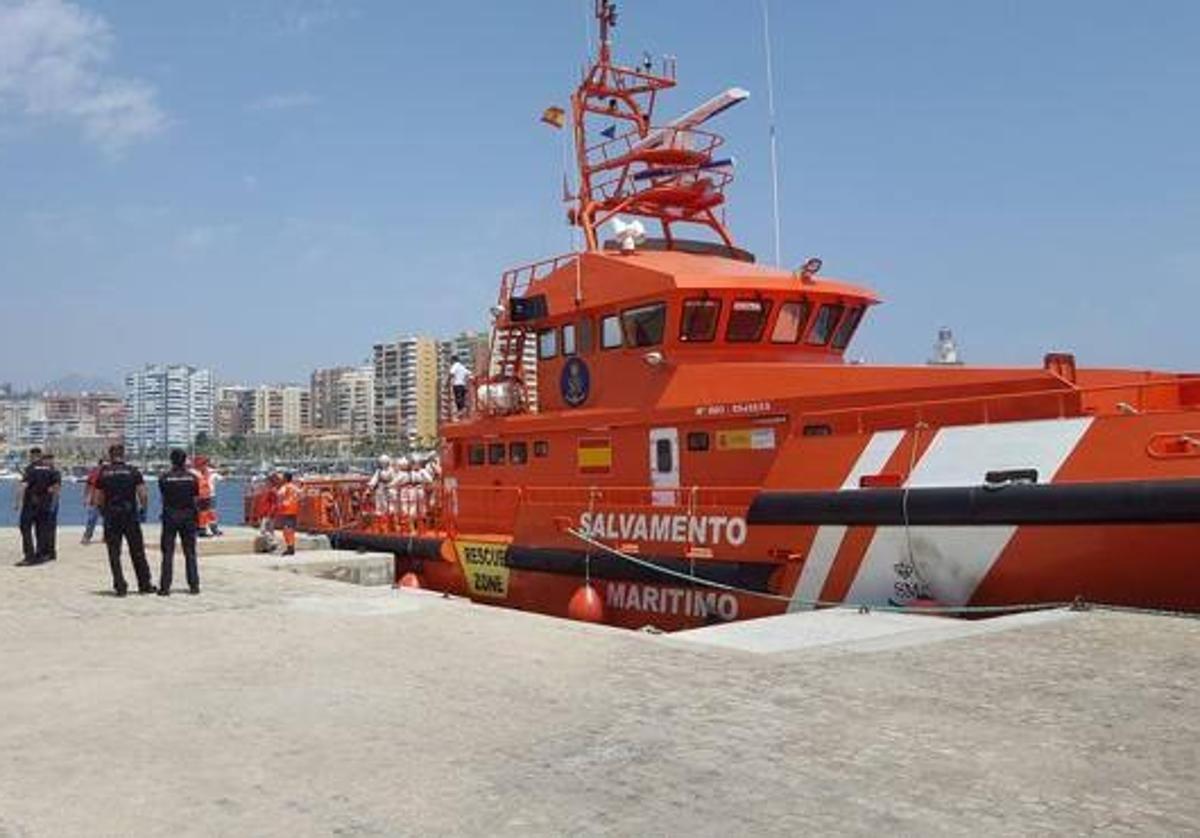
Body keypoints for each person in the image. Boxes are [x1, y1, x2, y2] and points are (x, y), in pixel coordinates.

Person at [95, 444, 155, 596]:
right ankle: (144, 584)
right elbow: (143, 494)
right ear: (123, 454)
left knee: (114, 553)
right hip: (130, 515)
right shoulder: (133, 471)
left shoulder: (104, 473)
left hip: (112, 515)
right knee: (137, 551)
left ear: (110, 455)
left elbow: (97, 498)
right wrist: (143, 510)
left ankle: (120, 585)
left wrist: (103, 512)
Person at [158, 448, 201, 596]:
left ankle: (165, 587)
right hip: (188, 516)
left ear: (171, 460)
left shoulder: (164, 478)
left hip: (170, 516)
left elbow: (164, 497)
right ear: (185, 460)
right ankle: (194, 585)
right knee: (190, 552)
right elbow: (196, 499)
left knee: (167, 553)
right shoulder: (193, 478)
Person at [14, 447, 60, 566]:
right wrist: (53, 502)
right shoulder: (51, 469)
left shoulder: (30, 469)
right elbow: (56, 488)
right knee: (42, 529)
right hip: (45, 504)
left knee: (25, 528)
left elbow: (23, 486)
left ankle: (29, 556)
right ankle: (41, 555)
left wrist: (18, 502)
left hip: (31, 503)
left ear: (32, 456)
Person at [193, 456, 222, 537]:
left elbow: (220, 477)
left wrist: (217, 469)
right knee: (200, 513)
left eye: (205, 463)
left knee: (211, 512)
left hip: (209, 495)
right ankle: (200, 529)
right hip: (197, 496)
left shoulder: (211, 472)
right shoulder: (193, 473)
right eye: (202, 463)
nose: (204, 465)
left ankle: (213, 528)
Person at [276, 472, 301, 557]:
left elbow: (279, 494)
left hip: (287, 510)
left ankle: (289, 547)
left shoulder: (285, 487)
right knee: (292, 529)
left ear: (285, 478)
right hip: (294, 509)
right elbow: (300, 494)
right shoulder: (294, 487)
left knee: (286, 530)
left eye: (283, 478)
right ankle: (291, 546)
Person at [81, 458, 104, 545]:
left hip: (107, 501)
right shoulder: (94, 473)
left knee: (108, 520)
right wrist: (85, 497)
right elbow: (88, 486)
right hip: (94, 500)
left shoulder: (109, 473)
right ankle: (87, 537)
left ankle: (106, 536)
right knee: (92, 519)